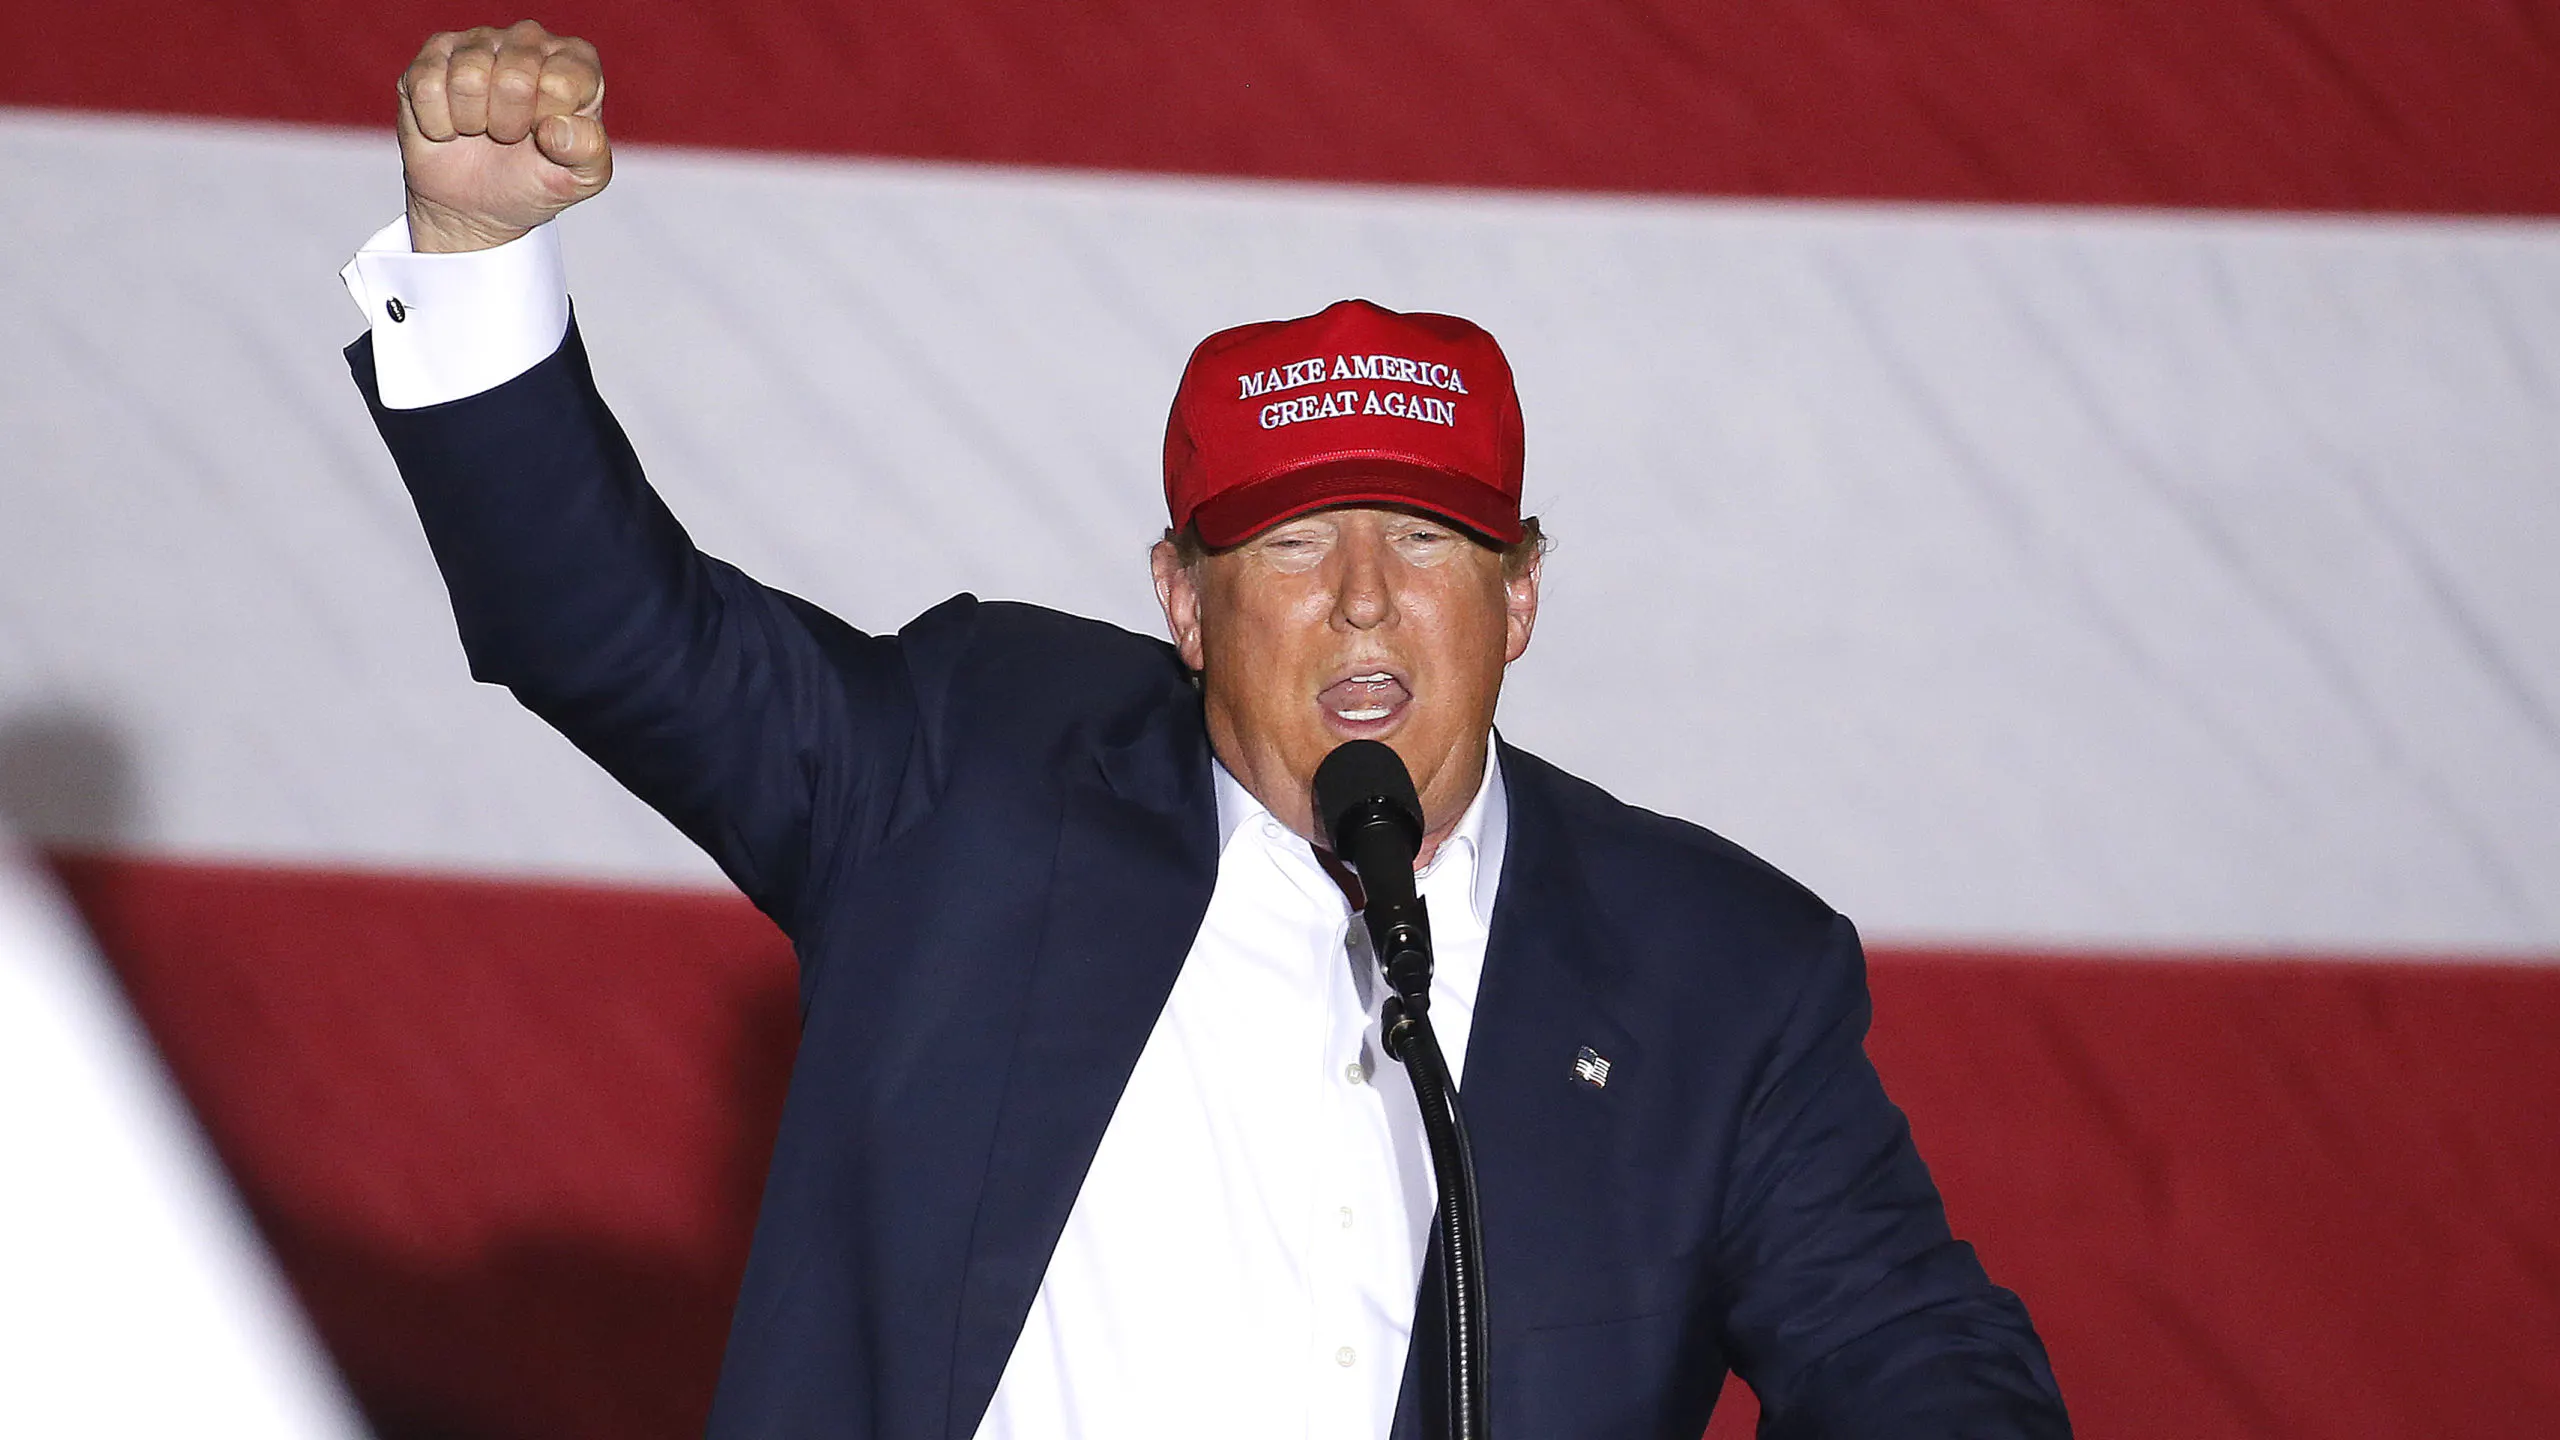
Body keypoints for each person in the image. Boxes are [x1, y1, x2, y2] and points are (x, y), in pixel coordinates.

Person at [343, 21, 2071, 1440]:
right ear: (1183, 601)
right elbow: (614, 630)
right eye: (1299, 546)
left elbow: (1919, 1363)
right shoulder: (968, 779)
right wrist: (484, 266)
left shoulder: (1713, 977)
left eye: (1431, 544)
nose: (1371, 601)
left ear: (1522, 597)